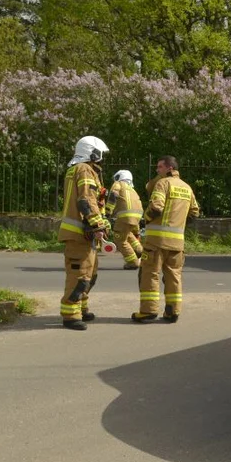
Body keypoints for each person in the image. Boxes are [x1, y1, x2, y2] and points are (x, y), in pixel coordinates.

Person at [132, 156, 200, 324]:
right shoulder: (187, 187)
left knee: (150, 274)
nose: (157, 170)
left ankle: (148, 311)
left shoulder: (163, 184)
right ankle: (172, 312)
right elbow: (195, 213)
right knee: (174, 276)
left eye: (160, 167)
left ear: (169, 168)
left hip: (156, 241)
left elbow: (156, 207)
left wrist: (145, 220)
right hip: (177, 243)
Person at [58, 136, 109, 330]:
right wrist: (97, 225)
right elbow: (86, 199)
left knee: (89, 273)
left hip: (83, 233)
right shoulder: (85, 169)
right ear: (93, 152)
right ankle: (71, 315)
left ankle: (82, 307)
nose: (102, 158)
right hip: (80, 233)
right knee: (79, 275)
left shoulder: (77, 169)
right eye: (100, 154)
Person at [105, 169, 144, 270]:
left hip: (125, 216)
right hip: (137, 217)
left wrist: (108, 211)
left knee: (120, 239)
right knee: (128, 234)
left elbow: (114, 195)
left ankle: (132, 262)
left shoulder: (119, 184)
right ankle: (139, 250)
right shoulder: (132, 189)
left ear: (119, 177)